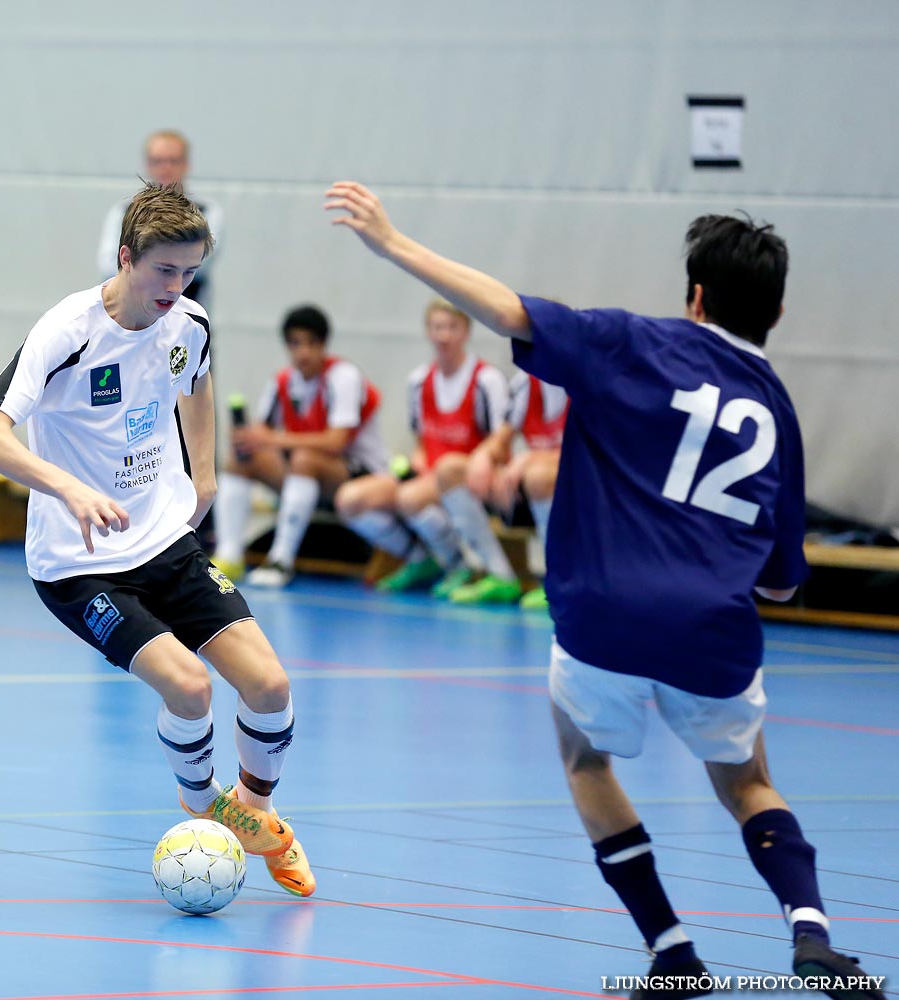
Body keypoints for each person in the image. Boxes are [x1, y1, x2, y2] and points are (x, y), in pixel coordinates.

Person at [326, 180, 881, 999]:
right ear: (777, 314)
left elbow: (509, 310)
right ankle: (813, 935)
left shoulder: (632, 343)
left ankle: (674, 955)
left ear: (695, 296)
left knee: (586, 760)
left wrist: (395, 243)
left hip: (603, 611)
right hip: (710, 627)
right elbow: (782, 575)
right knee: (748, 781)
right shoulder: (777, 409)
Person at [0, 182, 313, 897]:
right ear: (126, 257)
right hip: (78, 565)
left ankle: (254, 810)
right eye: (163, 270)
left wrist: (206, 474)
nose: (175, 287)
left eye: (189, 272)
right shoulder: (67, 331)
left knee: (270, 684)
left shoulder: (187, 322)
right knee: (189, 688)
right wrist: (66, 486)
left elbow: (198, 381)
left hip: (162, 540)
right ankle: (198, 803)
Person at [333, 299, 520, 603]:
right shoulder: (419, 381)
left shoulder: (486, 380)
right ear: (428, 332)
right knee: (350, 500)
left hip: (470, 477)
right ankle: (420, 559)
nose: (444, 335)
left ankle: (463, 567)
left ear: (466, 331)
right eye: (437, 327)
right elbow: (423, 440)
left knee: (413, 495)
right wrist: (415, 462)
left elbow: (501, 438)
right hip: (431, 475)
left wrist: (476, 463)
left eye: (451, 327)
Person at [211, 304, 386, 588]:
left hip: (357, 475)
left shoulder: (343, 376)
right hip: (301, 476)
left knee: (305, 458)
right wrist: (248, 439)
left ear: (324, 345)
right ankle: (229, 554)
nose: (303, 352)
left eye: (311, 343)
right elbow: (263, 435)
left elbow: (336, 442)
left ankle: (281, 560)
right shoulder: (282, 381)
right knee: (242, 457)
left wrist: (272, 439)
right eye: (295, 344)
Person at [96, 131, 222, 307]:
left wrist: (151, 264)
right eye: (158, 161)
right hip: (136, 311)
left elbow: (201, 262)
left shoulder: (206, 211)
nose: (165, 168)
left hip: (188, 308)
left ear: (186, 164)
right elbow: (108, 264)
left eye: (173, 161)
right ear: (147, 165)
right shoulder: (124, 211)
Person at [493, 371, 568, 610]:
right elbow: (500, 440)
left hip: (590, 482)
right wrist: (483, 459)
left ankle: (556, 578)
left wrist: (531, 457)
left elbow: (595, 449)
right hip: (535, 484)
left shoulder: (587, 374)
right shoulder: (525, 381)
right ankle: (498, 574)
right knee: (467, 473)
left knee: (537, 477)